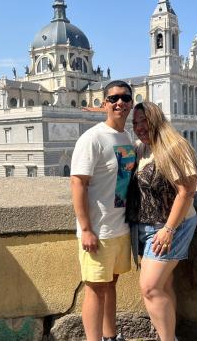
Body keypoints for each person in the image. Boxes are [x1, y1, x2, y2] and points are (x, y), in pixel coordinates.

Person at [126, 102, 197, 341]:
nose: (138, 127)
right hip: (148, 226)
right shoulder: (142, 148)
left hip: (172, 227)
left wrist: (169, 229)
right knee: (164, 287)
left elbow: (187, 191)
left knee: (150, 287)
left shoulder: (175, 145)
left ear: (156, 119)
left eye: (143, 121)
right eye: (135, 123)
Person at [70, 80, 135, 341]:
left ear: (131, 103)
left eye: (125, 98)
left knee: (111, 284)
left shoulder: (127, 137)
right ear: (104, 103)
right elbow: (77, 182)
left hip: (120, 227)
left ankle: (110, 336)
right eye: (114, 98)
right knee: (95, 289)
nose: (120, 102)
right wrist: (86, 229)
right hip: (99, 230)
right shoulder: (92, 138)